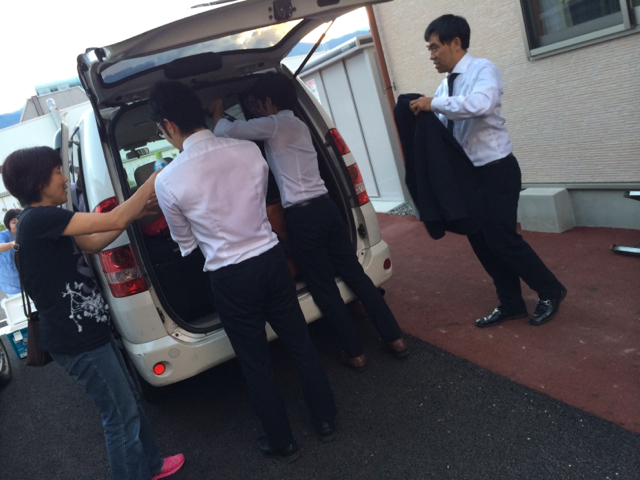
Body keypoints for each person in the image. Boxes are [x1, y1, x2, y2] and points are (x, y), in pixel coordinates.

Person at [148, 80, 337, 463]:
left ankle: (282, 441)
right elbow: (260, 197)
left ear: (168, 125)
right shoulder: (249, 150)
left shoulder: (167, 180)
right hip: (271, 259)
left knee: (255, 362)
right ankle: (326, 418)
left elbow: (186, 244)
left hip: (229, 276)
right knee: (299, 342)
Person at [1, 146, 184, 480]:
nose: (63, 179)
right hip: (78, 341)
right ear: (39, 181)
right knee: (120, 417)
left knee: (129, 403)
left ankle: (151, 466)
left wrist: (136, 213)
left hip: (90, 331)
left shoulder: (44, 221)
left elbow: (94, 242)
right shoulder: (40, 219)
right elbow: (115, 218)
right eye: (58, 172)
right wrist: (152, 179)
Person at [210, 73, 408, 371]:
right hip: (327, 208)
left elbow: (226, 130)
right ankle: (395, 338)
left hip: (302, 216)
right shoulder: (300, 124)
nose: (258, 108)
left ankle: (355, 352)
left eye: (259, 103)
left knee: (323, 286)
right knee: (355, 274)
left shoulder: (274, 124)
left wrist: (215, 112)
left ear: (268, 101)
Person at [408, 14, 567, 327]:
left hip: (497, 170)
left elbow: (480, 104)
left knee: (501, 238)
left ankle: (550, 289)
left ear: (456, 43)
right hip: (469, 178)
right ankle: (510, 303)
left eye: (435, 47)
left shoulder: (483, 70)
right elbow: (441, 128)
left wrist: (433, 104)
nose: (431, 55)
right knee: (480, 241)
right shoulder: (445, 87)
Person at [0, 209, 22, 295]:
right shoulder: (3, 236)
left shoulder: (27, 233)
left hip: (28, 280)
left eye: (20, 220)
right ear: (8, 224)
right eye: (14, 222)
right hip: (10, 284)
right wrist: (11, 245)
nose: (17, 224)